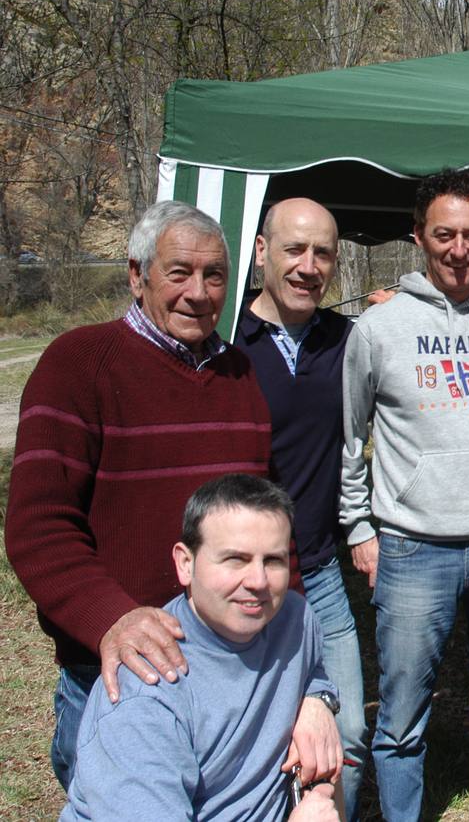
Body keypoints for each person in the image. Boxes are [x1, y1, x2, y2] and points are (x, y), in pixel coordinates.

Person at [2, 201, 343, 791]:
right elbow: (39, 526)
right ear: (137, 275)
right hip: (120, 669)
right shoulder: (80, 364)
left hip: (235, 664)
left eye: (214, 275)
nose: (198, 292)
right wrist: (111, 618)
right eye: (178, 272)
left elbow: (269, 525)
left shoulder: (238, 376)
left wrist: (308, 675)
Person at [341, 168, 469, 822]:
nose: (458, 250)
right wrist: (359, 529)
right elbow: (348, 438)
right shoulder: (378, 330)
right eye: (444, 235)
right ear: (418, 237)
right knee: (400, 715)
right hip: (412, 547)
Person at [61, 475, 342, 821]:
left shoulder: (294, 620)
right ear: (185, 563)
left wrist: (319, 700)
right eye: (235, 559)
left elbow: (313, 671)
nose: (257, 582)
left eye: (273, 560)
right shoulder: (146, 693)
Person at [234, 197, 367, 818]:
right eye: (294, 249)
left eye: (323, 254)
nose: (309, 266)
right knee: (252, 740)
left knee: (349, 736)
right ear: (262, 252)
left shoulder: (348, 340)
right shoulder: (225, 343)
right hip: (242, 577)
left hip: (318, 571)